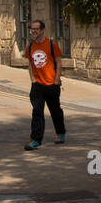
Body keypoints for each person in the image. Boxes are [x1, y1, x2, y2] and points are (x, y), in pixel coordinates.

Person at [24, 19, 65, 149]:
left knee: (55, 110)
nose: (33, 31)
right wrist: (32, 79)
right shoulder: (29, 46)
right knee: (37, 112)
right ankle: (36, 139)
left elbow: (58, 62)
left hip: (52, 83)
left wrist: (57, 79)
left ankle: (60, 132)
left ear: (42, 30)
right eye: (32, 29)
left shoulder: (52, 44)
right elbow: (30, 64)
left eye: (36, 29)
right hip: (37, 85)